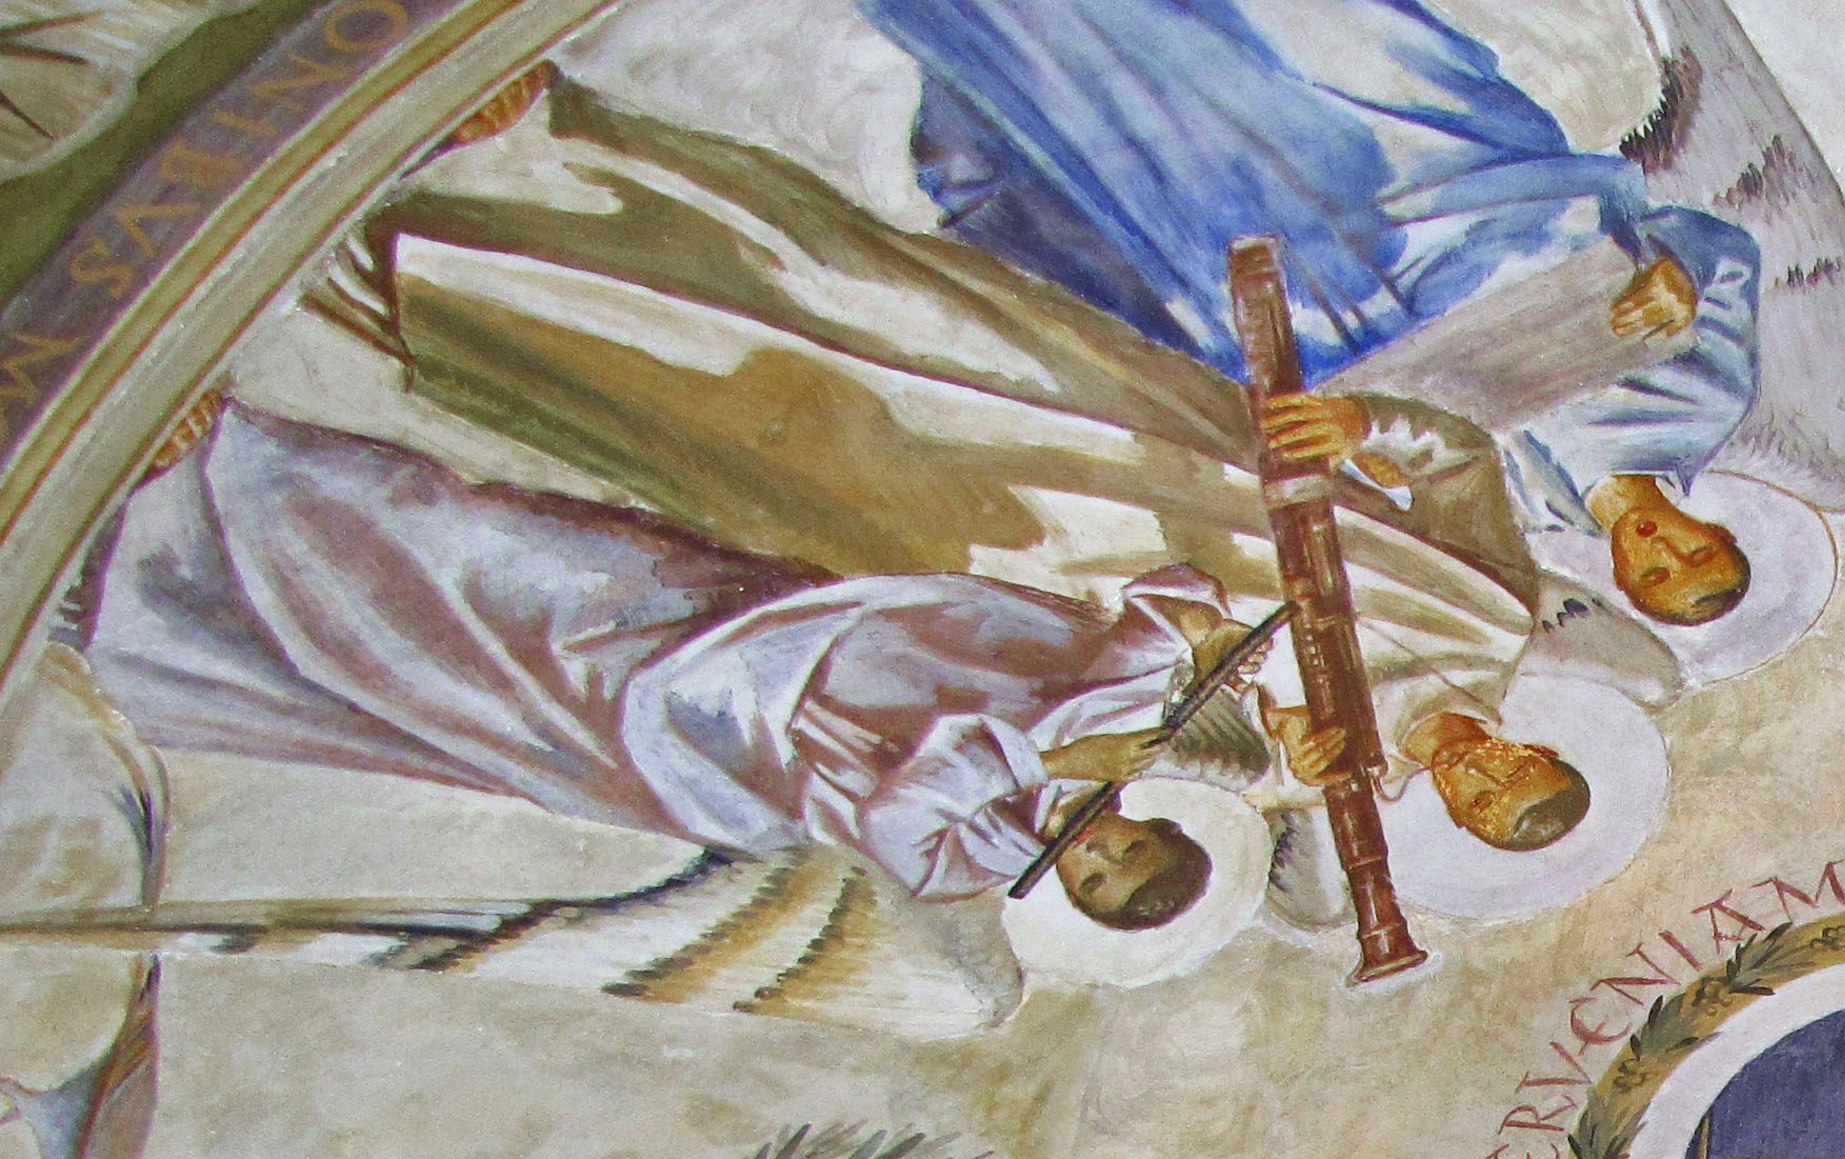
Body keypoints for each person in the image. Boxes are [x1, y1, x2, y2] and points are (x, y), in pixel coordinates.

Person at [300, 75, 1602, 842]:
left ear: (1459, 822)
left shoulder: (1298, 774)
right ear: (1535, 746)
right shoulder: (1492, 615)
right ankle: (562, 139)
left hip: (1017, 536)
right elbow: (1452, 465)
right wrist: (1359, 430)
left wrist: (1250, 737)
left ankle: (444, 272)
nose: (1479, 770)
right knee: (869, 289)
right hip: (1148, 431)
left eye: (1478, 802)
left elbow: (1077, 744)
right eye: (1514, 770)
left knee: (751, 409)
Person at [82, 407, 1240, 931]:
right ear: (1148, 821)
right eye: (1126, 850)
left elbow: (899, 803)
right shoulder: (1131, 711)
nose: (1092, 854)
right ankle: (231, 468)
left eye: (1094, 883)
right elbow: (1178, 598)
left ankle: (150, 585)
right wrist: (1209, 652)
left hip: (678, 741)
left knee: (430, 671)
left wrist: (1039, 751)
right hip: (735, 618)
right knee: (492, 541)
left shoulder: (965, 866)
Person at [864, 0, 1762, 624]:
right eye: (1691, 551)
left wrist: (1354, 435)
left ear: (1621, 576)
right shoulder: (1705, 403)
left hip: (1334, 303)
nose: (1660, 550)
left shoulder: (1516, 518)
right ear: (1710, 527)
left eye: (1652, 575)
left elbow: (1378, 469)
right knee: (1320, 55)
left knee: (1152, 161)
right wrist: (1680, 272)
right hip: (1476, 200)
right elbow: (1726, 258)